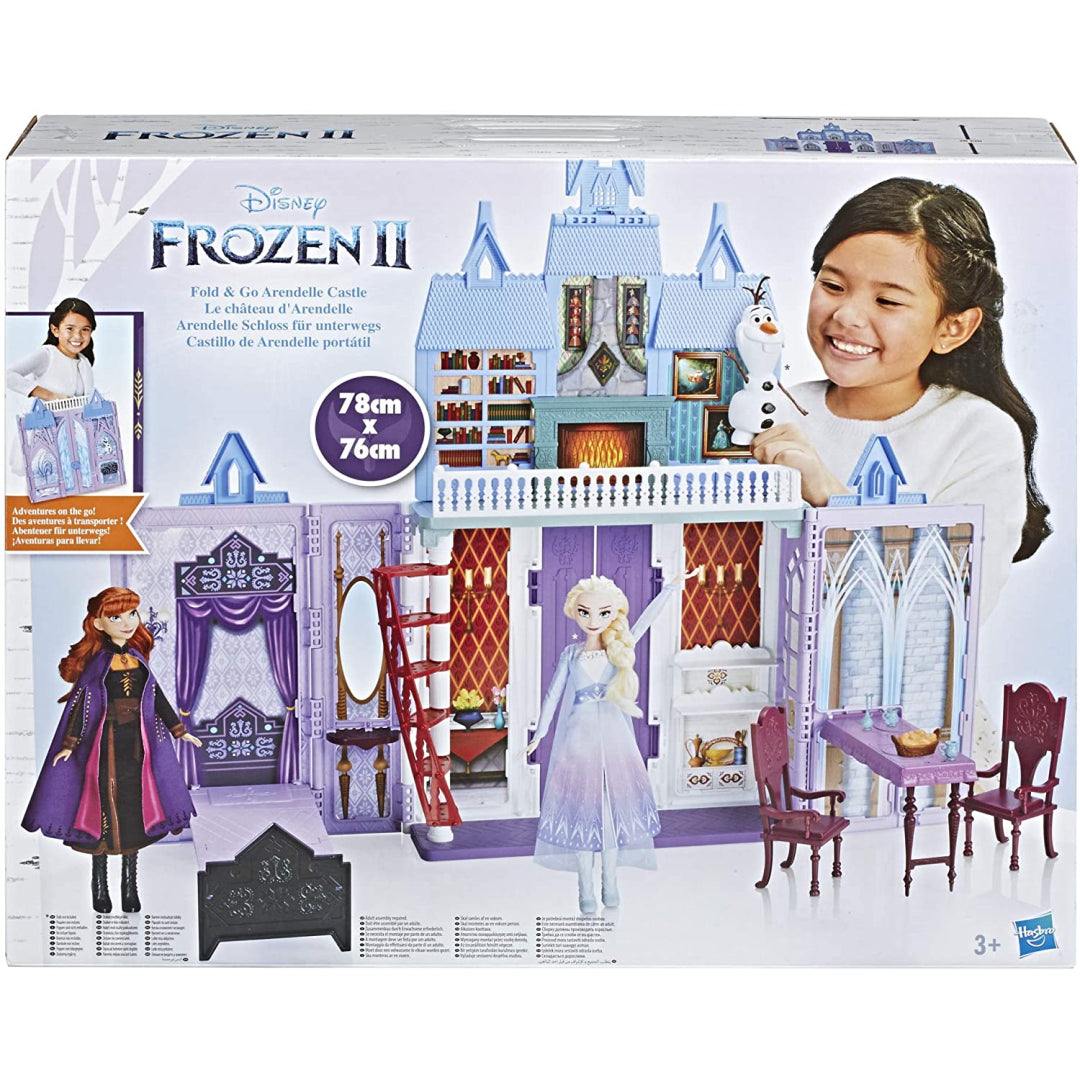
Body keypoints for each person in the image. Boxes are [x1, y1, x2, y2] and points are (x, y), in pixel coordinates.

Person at [752, 177, 1050, 617]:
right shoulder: (773, 410)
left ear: (953, 327)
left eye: (888, 301)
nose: (847, 315)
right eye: (832, 285)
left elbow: (948, 612)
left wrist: (831, 498)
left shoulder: (978, 433)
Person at [525, 568, 698, 914]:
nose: (593, 620)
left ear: (613, 614)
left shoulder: (618, 649)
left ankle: (610, 882)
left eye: (603, 613)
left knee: (611, 816)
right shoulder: (571, 655)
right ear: (574, 612)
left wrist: (669, 589)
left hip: (614, 739)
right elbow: (553, 694)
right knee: (582, 814)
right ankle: (585, 887)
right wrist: (540, 733)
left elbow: (645, 622)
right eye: (585, 612)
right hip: (579, 740)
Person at [22, 588, 201, 914]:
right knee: (101, 812)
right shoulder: (98, 664)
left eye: (131, 614)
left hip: (137, 747)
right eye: (116, 617)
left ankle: (129, 887)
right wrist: (69, 744)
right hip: (104, 747)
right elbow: (81, 707)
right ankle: (100, 886)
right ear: (98, 623)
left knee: (134, 810)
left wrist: (179, 730)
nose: (127, 622)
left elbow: (157, 698)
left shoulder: (138, 659)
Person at [6, 297, 97, 401]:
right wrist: (48, 395)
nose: (78, 336)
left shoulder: (85, 362)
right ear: (55, 330)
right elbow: (7, 375)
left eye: (85, 329)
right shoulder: (47, 355)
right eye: (70, 328)